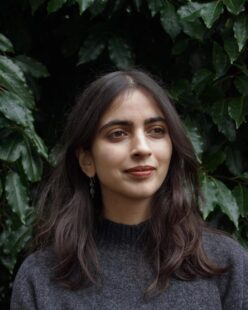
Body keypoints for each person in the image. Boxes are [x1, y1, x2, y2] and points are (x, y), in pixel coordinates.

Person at [11, 70, 248, 309]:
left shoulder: (225, 263)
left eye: (156, 130)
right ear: (87, 160)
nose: (142, 148)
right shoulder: (41, 278)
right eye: (118, 134)